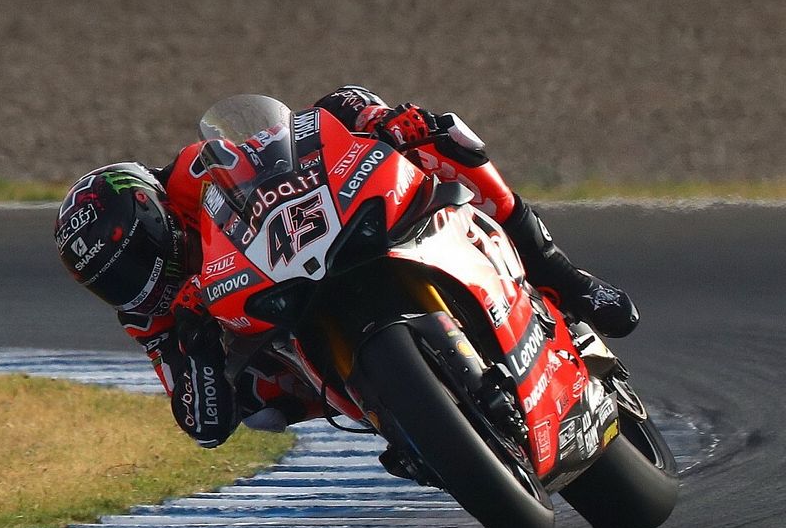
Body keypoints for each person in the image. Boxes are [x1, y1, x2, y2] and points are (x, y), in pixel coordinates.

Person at [54, 85, 639, 455]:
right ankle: (394, 414)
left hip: (302, 246)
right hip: (274, 325)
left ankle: (558, 272)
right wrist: (199, 348)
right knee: (258, 405)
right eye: (115, 281)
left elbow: (290, 139)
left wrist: (377, 120)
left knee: (435, 137)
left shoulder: (191, 173)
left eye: (136, 256)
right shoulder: (145, 314)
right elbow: (202, 424)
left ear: (156, 213)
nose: (138, 280)